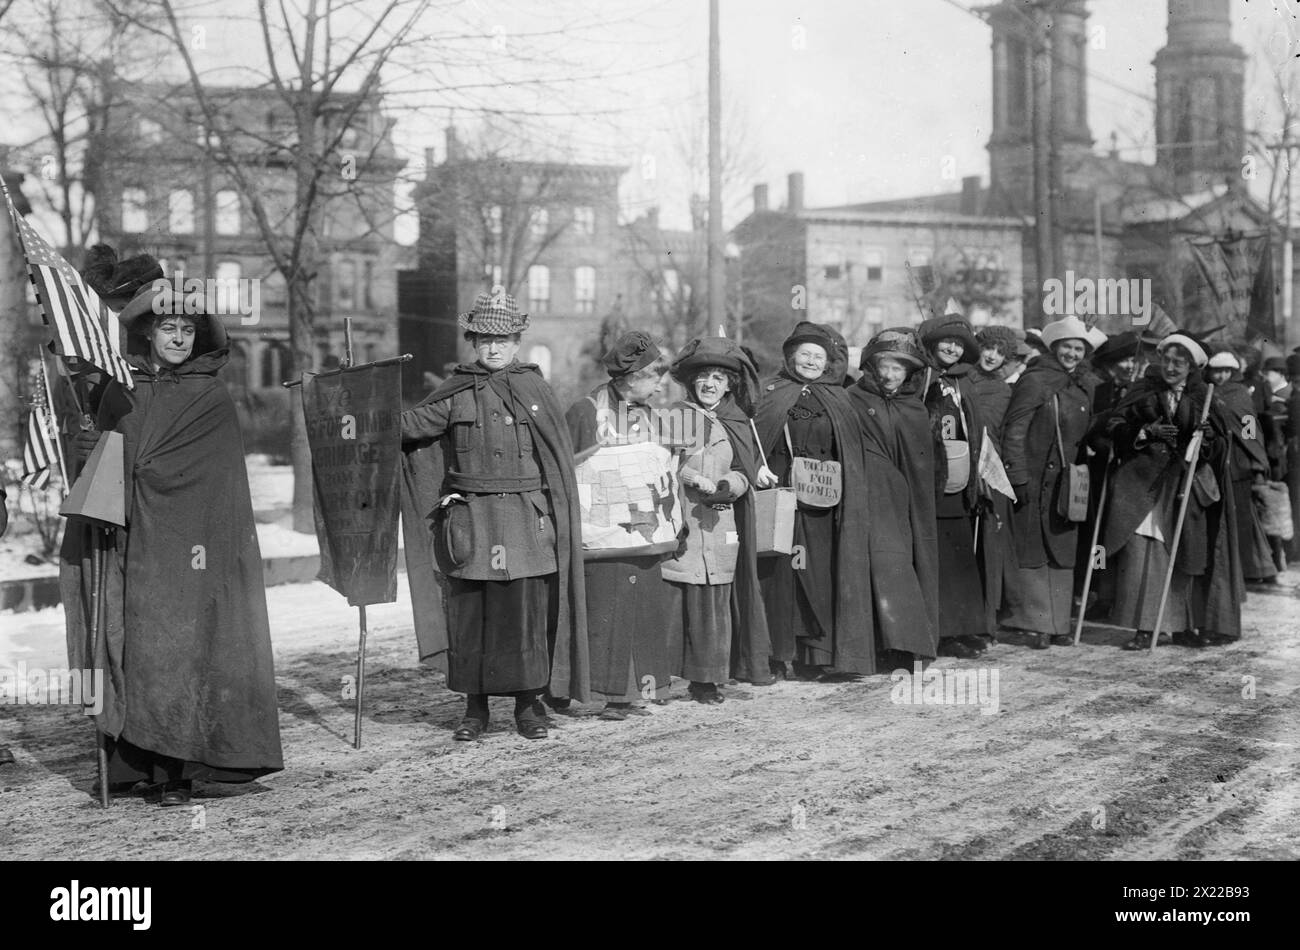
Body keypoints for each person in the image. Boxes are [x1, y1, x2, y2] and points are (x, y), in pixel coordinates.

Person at [62, 260, 283, 805]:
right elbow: (103, 461)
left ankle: (179, 772)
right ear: (148, 334)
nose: (178, 338)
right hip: (134, 542)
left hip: (192, 551)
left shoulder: (211, 398)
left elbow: (218, 485)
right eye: (168, 329)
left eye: (187, 330)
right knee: (134, 647)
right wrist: (90, 451)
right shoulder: (121, 391)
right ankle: (131, 765)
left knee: (183, 649)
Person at [399, 292, 587, 740]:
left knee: (524, 615)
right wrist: (362, 402)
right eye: (484, 339)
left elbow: (558, 463)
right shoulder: (455, 392)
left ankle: (528, 706)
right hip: (472, 526)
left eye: (502, 339)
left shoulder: (537, 391)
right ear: (472, 341)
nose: (493, 348)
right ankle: (475, 710)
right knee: (472, 618)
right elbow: (408, 427)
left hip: (526, 523)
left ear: (517, 341)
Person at [1097, 331, 1242, 650]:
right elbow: (1112, 426)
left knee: (1183, 553)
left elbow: (1220, 445)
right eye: (1167, 360)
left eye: (1180, 362)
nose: (1172, 367)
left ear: (1192, 367)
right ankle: (1144, 627)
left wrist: (1205, 439)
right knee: (1141, 553)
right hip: (1140, 483)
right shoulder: (1142, 390)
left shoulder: (1205, 396)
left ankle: (1182, 626)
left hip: (1183, 486)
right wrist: (1145, 432)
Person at [753, 322, 877, 680]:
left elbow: (851, 452)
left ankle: (817, 657)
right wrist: (760, 468)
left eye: (818, 356)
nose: (810, 361)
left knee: (820, 576)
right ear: (791, 357)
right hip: (782, 499)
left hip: (824, 503)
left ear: (827, 364)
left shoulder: (840, 398)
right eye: (804, 354)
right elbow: (755, 439)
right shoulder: (771, 393)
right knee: (780, 577)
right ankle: (777, 656)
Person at [565, 331, 674, 719]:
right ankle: (603, 693)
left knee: (642, 609)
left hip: (643, 531)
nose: (660, 385)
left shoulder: (649, 414)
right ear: (631, 377)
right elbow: (570, 469)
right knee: (608, 611)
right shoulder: (586, 410)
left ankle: (633, 693)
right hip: (603, 534)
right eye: (653, 377)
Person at [660, 336, 771, 703]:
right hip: (682, 522)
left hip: (720, 524)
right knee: (676, 598)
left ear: (729, 385)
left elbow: (745, 471)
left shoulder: (736, 422)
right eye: (703, 376)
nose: (709, 384)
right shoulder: (674, 416)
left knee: (712, 603)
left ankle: (705, 681)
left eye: (718, 378)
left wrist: (727, 485)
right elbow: (658, 467)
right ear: (692, 382)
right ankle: (658, 680)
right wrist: (689, 477)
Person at [999, 316, 1096, 648]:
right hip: (1034, 477)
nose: (1072, 354)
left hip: (1066, 482)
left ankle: (1058, 623)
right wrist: (1018, 475)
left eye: (1078, 348)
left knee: (1062, 549)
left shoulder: (1083, 385)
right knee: (1034, 549)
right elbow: (1014, 428)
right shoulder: (1036, 380)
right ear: (1055, 349)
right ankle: (1036, 623)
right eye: (1067, 347)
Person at [848, 327, 941, 667]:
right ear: (872, 366)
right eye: (885, 366)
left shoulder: (913, 408)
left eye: (898, 368)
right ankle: (885, 645)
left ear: (909, 373)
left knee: (913, 562)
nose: (889, 375)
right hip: (873, 498)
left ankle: (913, 643)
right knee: (884, 562)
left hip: (911, 503)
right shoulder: (854, 400)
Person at [918, 306, 991, 658]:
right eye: (946, 342)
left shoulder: (962, 382)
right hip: (932, 480)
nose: (952, 349)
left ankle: (966, 626)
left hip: (961, 477)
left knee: (962, 556)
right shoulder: (921, 378)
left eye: (959, 344)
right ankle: (944, 631)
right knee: (941, 559)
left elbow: (974, 429)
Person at [1206, 350, 1276, 585]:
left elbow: (1249, 429)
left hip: (1239, 462)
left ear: (1234, 372)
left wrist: (1255, 458)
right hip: (1219, 459)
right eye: (1217, 371)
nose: (1221, 376)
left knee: (1242, 518)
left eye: (1226, 371)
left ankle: (1250, 569)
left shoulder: (1239, 394)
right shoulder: (1208, 393)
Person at [972, 324, 1018, 634]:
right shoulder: (960, 380)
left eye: (1001, 353)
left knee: (989, 546)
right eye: (989, 348)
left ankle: (986, 623)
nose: (993, 356)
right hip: (961, 465)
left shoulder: (1003, 390)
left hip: (990, 469)